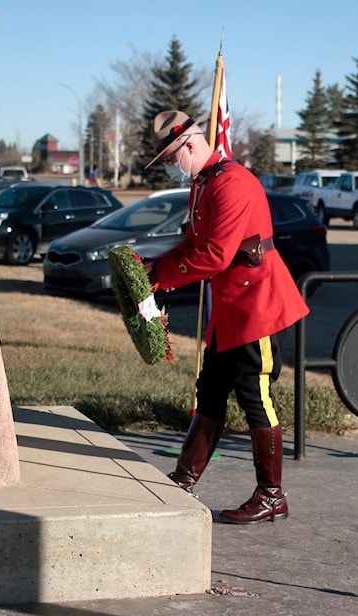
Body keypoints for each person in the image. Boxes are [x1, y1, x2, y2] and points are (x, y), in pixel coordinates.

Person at [142, 110, 310, 525]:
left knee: (256, 398)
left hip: (259, 308)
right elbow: (191, 244)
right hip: (230, 311)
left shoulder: (231, 183)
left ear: (191, 145)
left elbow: (215, 255)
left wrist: (163, 276)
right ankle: (182, 480)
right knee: (211, 391)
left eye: (169, 157)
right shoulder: (204, 185)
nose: (169, 166)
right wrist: (154, 273)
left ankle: (272, 495)